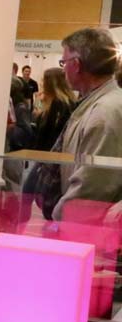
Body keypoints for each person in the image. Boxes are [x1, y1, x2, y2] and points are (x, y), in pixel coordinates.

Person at [50, 28, 122, 219]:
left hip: (90, 226)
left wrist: (60, 218)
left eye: (64, 62)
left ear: (76, 65)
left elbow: (93, 184)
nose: (63, 69)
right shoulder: (101, 104)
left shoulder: (104, 112)